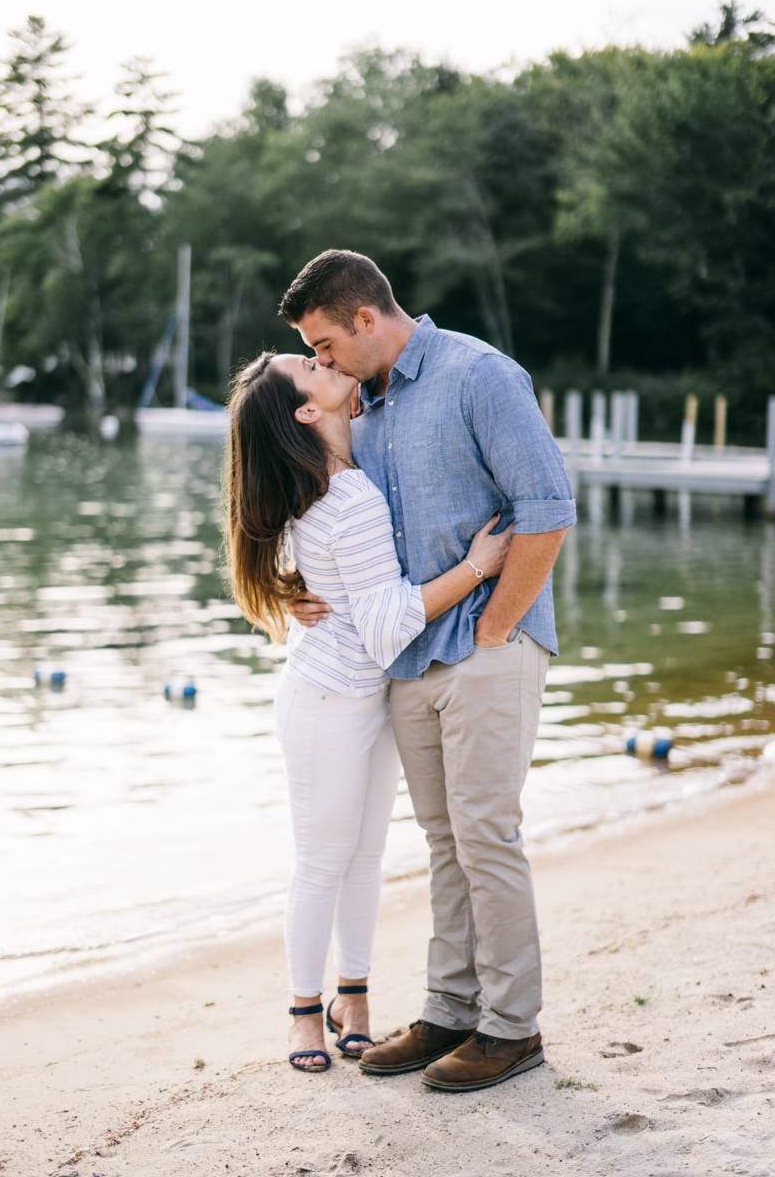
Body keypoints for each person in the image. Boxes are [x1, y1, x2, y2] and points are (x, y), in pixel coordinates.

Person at [280, 250, 576, 1093]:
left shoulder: (479, 375)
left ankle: (513, 1029)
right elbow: (334, 527)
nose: (323, 363)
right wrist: (292, 586)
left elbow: (547, 511)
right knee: (445, 844)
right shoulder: (358, 410)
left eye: (327, 344)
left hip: (489, 645)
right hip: (406, 658)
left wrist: (495, 627)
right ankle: (451, 1009)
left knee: (487, 835)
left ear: (367, 318)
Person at [225, 350, 513, 1073]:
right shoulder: (345, 495)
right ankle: (301, 1014)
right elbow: (388, 625)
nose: (325, 359)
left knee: (365, 860)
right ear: (305, 411)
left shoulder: (344, 476)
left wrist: (296, 582)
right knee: (322, 863)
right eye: (309, 364)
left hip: (368, 696)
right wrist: (479, 567)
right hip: (328, 701)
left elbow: (333, 577)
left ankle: (352, 999)